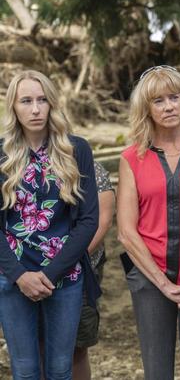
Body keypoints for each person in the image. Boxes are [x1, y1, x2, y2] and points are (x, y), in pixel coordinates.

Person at [117, 65, 180, 380]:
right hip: (150, 278)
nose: (169, 106)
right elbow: (125, 232)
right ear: (146, 109)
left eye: (174, 97)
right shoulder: (132, 158)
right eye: (158, 101)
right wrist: (164, 284)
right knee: (156, 369)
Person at [0, 70, 99, 379]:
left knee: (60, 368)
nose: (35, 109)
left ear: (53, 104)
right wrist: (20, 276)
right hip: (12, 276)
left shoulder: (76, 149)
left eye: (42, 100)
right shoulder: (2, 153)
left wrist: (49, 274)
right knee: (25, 370)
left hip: (64, 276)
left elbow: (88, 220)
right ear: (13, 107)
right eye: (26, 101)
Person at [72, 161, 115, 380]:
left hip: (81, 269)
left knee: (77, 347)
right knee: (37, 345)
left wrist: (66, 261)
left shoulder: (90, 167)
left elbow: (103, 221)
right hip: (31, 270)